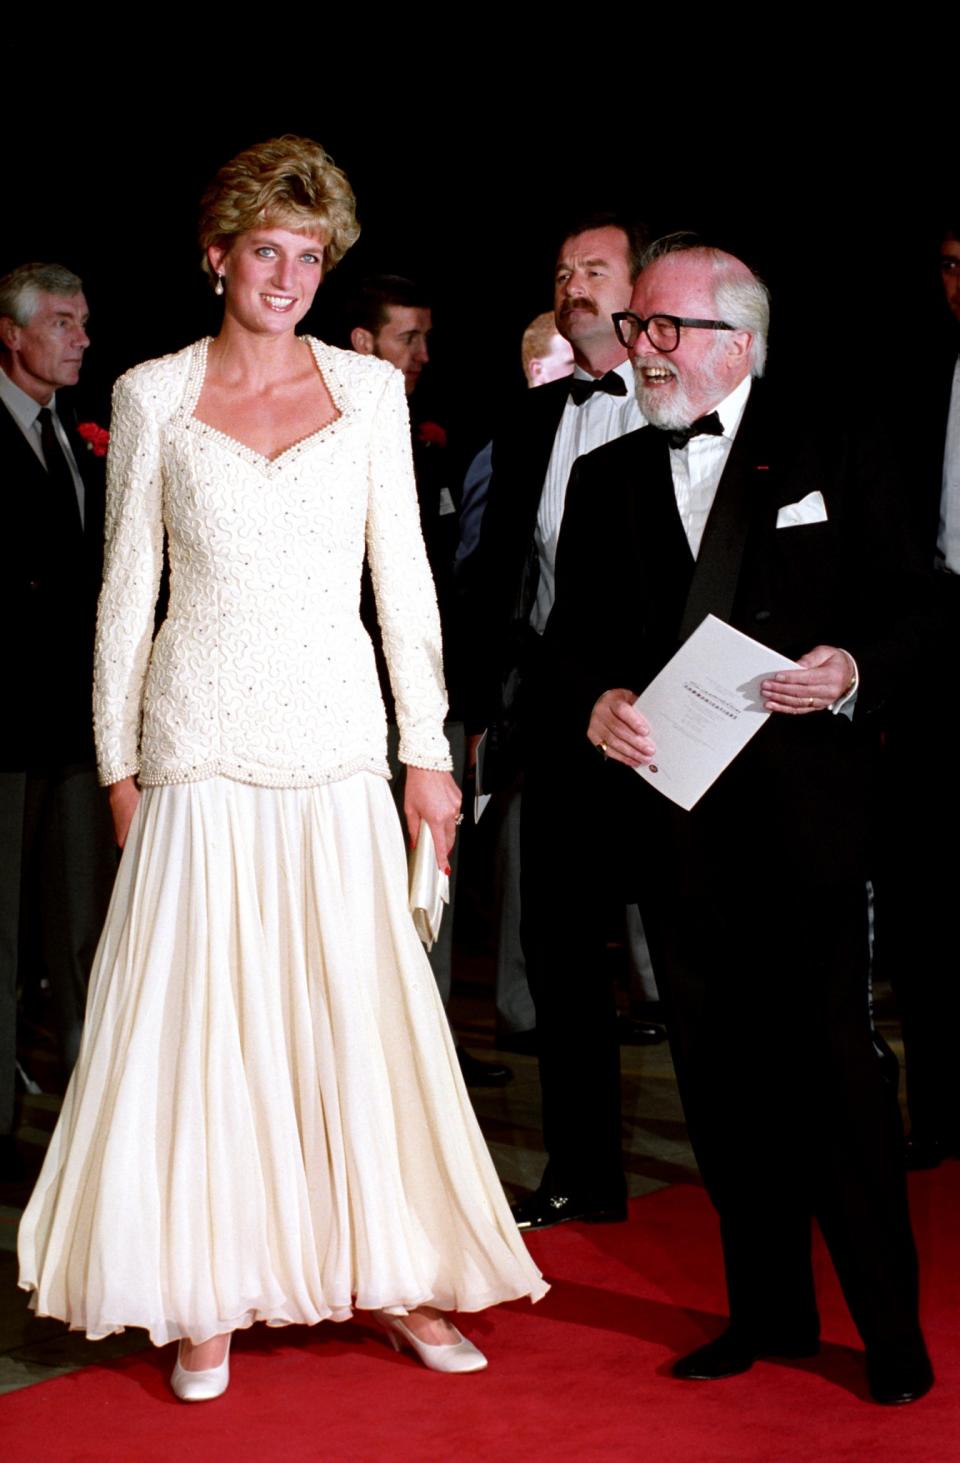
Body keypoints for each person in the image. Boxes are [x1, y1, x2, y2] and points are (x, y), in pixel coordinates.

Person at [18, 135, 546, 1402]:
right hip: (194, 743)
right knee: (201, 1024)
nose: (290, 276)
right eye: (269, 249)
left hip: (332, 743)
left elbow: (405, 590)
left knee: (353, 1017)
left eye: (311, 256)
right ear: (218, 258)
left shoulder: (369, 396)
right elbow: (124, 592)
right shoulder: (149, 393)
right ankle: (201, 1291)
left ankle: (397, 1272)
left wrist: (427, 753)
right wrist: (118, 764)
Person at [540, 233, 934, 1404]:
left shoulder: (839, 443)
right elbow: (568, 651)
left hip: (805, 829)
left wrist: (855, 665)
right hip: (677, 830)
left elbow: (919, 605)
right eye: (639, 328)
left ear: (739, 341)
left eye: (668, 329)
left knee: (835, 1082)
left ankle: (890, 1328)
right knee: (718, 1084)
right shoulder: (603, 477)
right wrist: (596, 700)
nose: (644, 349)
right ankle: (765, 1313)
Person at [461, 214, 665, 1230]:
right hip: (557, 718)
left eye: (593, 268)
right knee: (559, 949)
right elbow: (503, 578)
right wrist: (475, 707)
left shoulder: (676, 404)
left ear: (639, 289)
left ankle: (752, 1165)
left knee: (690, 948)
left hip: (670, 723)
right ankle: (585, 1172)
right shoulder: (537, 418)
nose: (572, 282)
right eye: (562, 272)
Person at [345, 276, 510, 1086]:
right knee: (360, 882)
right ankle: (366, 1055)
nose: (422, 355)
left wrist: (461, 705)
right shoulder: (334, 436)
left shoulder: (430, 444)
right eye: (407, 336)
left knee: (432, 875)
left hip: (432, 696)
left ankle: (431, 1051)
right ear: (362, 342)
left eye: (425, 338)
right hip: (351, 701)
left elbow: (457, 590)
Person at [0, 264, 115, 1180]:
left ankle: (87, 1108)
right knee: (3, 929)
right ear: (15, 333)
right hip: (4, 728)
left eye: (83, 322)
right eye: (64, 323)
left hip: (75, 726)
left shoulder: (81, 443)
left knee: (79, 925)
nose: (81, 337)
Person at [873, 219, 960, 1169]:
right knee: (929, 892)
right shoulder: (921, 374)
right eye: (946, 266)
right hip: (941, 642)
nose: (957, 285)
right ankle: (938, 1110)